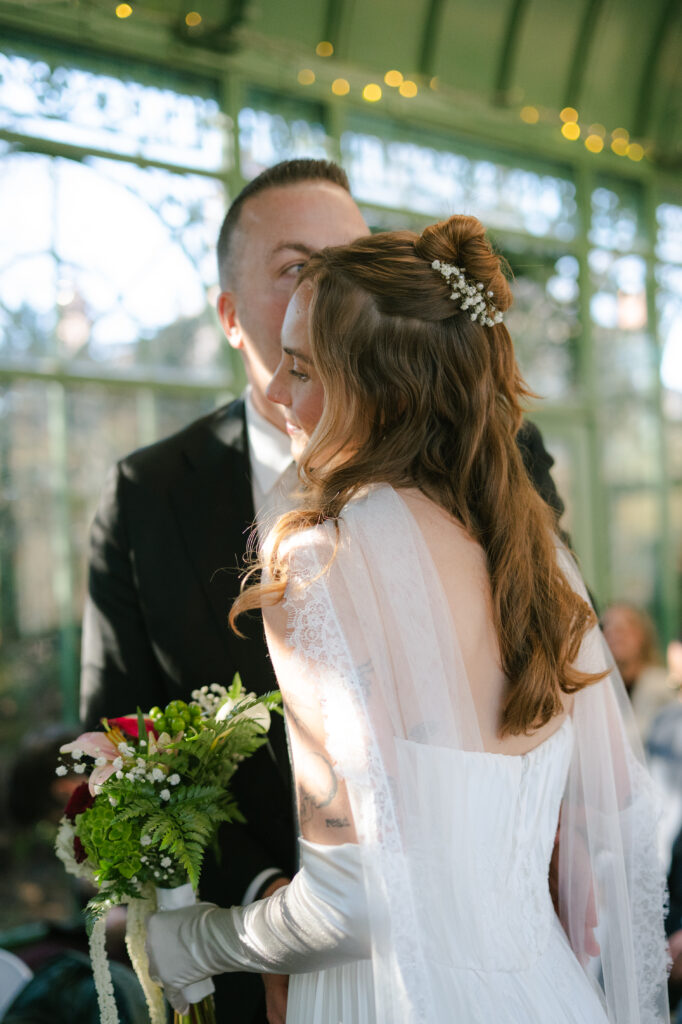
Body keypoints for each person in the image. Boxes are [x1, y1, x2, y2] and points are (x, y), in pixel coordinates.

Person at [145, 216, 669, 1022]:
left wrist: (194, 942)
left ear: (383, 396)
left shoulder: (320, 564)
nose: (277, 392)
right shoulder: (535, 556)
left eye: (302, 368)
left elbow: (347, 906)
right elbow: (610, 811)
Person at [81, 160, 565, 1022]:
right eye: (300, 268)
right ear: (230, 316)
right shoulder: (145, 496)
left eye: (352, 261)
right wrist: (261, 908)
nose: (336, 292)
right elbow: (119, 741)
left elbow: (548, 685)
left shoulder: (502, 462)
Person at [601, 602, 674, 741]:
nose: (614, 634)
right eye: (607, 627)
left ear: (643, 635)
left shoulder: (662, 686)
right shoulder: (600, 689)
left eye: (624, 627)